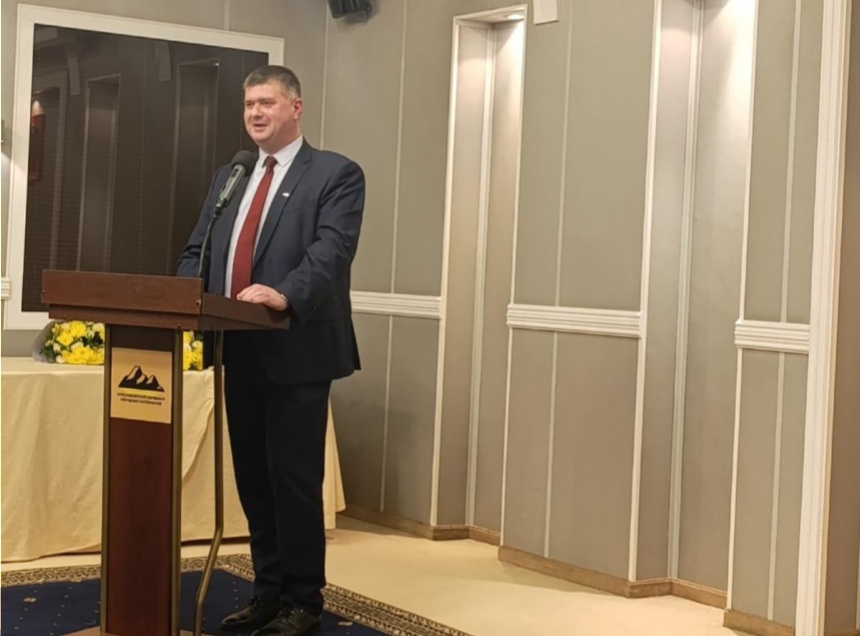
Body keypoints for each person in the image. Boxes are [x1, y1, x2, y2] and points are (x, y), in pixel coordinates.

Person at [176, 65, 364, 636]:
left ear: (295, 108)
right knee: (254, 480)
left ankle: (303, 601)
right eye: (249, 105)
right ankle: (268, 592)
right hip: (239, 347)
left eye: (267, 103)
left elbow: (332, 252)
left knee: (293, 481)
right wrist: (180, 296)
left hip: (296, 349)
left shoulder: (334, 173)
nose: (255, 113)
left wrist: (285, 293)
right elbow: (199, 248)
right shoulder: (232, 174)